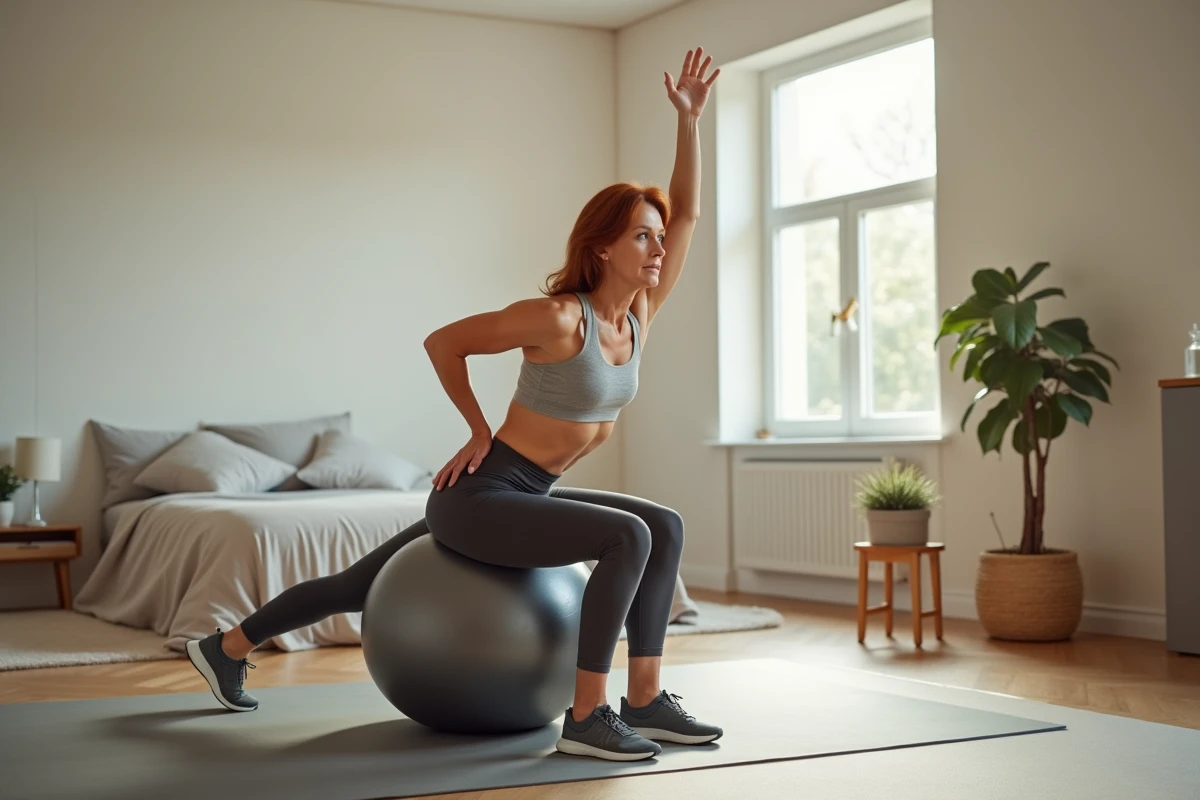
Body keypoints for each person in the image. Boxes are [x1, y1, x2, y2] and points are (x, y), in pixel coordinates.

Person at [186, 46, 723, 762]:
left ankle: (646, 700)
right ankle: (588, 716)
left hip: (526, 494)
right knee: (629, 536)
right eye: (641, 236)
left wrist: (688, 121)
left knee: (660, 525)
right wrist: (476, 428)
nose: (658, 248)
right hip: (483, 497)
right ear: (602, 248)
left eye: (658, 238)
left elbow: (687, 211)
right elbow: (444, 342)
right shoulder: (561, 318)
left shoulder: (639, 317)